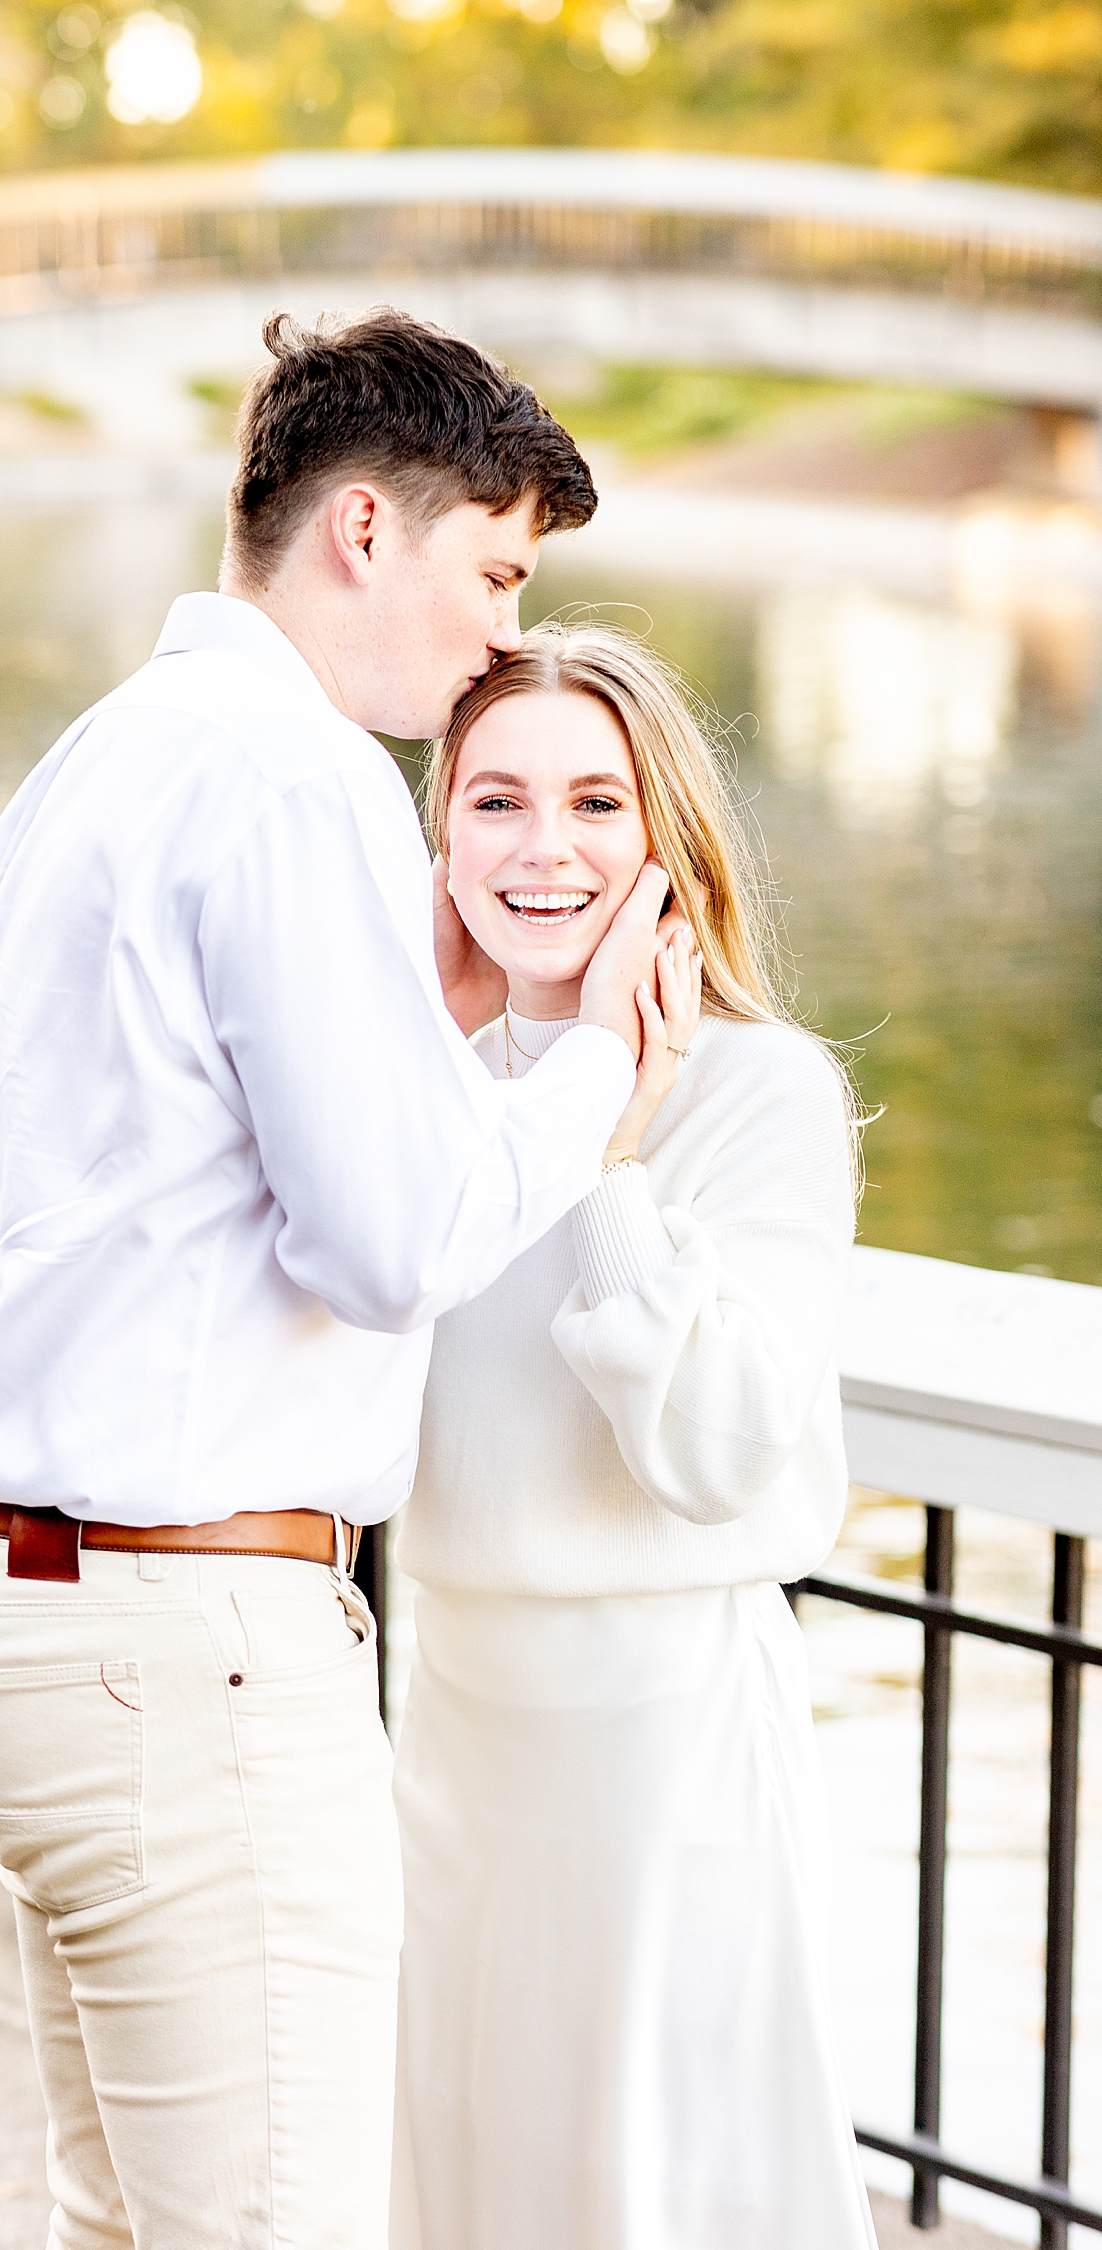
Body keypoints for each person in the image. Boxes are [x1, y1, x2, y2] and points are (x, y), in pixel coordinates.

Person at [0, 312, 675, 2250]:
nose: (501, 636)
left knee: (133, 2224)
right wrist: (598, 1070)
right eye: (492, 572)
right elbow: (388, 1239)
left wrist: (415, 1032)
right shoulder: (296, 779)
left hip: (13, 1604)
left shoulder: (97, 762)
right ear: (357, 530)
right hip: (186, 1650)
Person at [392, 621, 879, 2250]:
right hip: (440, 1737)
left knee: (654, 2194)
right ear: (441, 833)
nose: (547, 849)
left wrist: (603, 1149)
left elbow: (723, 1447)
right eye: (497, 801)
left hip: (658, 1756)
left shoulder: (765, 1093)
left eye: (599, 802)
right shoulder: (409, 1092)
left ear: (667, 838)